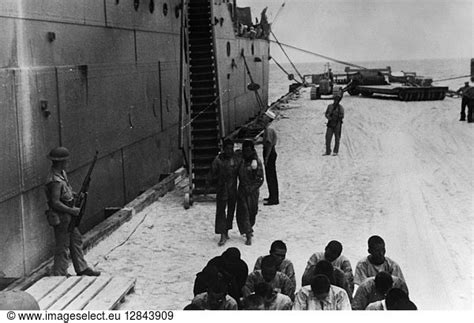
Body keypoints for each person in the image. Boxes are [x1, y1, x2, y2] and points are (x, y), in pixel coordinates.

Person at [44, 147, 100, 277]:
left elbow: (65, 193)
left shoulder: (61, 174)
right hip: (62, 215)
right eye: (66, 161)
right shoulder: (55, 180)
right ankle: (60, 274)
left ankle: (82, 268)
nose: (68, 163)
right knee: (62, 246)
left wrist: (74, 196)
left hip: (68, 214)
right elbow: (55, 202)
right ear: (61, 162)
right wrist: (72, 210)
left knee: (75, 240)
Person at [207, 138, 240, 246]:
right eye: (227, 149)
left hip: (232, 189)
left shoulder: (236, 159)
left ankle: (226, 231)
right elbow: (212, 172)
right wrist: (209, 183)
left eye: (231, 148)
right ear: (223, 149)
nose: (229, 151)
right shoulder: (218, 160)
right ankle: (222, 234)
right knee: (221, 211)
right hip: (222, 189)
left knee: (231, 211)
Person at [236, 140, 264, 245]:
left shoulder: (256, 162)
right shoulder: (241, 160)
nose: (246, 153)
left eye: (248, 150)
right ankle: (248, 234)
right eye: (244, 150)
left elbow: (260, 178)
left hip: (253, 192)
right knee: (244, 212)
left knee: (253, 212)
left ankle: (249, 228)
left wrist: (252, 188)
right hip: (242, 190)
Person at [262, 110, 279, 205]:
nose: (263, 119)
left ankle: (273, 198)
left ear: (268, 118)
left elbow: (268, 144)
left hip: (270, 152)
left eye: (265, 117)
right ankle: (272, 195)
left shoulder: (268, 130)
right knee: (272, 176)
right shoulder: (271, 128)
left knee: (270, 176)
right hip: (273, 151)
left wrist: (266, 158)